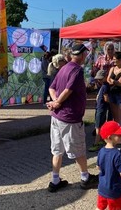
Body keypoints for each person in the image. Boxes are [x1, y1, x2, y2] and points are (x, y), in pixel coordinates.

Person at [47, 43, 98, 192]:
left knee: (57, 150)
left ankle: (55, 180)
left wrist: (55, 102)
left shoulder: (64, 68)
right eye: (85, 55)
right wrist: (57, 102)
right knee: (78, 150)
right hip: (69, 117)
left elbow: (52, 87)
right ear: (82, 55)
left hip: (57, 117)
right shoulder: (77, 70)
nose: (85, 58)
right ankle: (85, 177)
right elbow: (68, 90)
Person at [96, 121, 121, 210]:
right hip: (114, 189)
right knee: (117, 207)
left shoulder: (101, 151)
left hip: (102, 188)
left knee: (100, 207)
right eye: (119, 134)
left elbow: (98, 167)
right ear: (110, 137)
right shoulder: (117, 154)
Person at [89, 70, 111, 152]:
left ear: (105, 77)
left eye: (100, 79)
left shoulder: (105, 86)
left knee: (98, 126)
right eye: (98, 79)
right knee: (99, 125)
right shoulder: (103, 85)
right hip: (100, 107)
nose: (99, 80)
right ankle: (101, 140)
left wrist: (110, 103)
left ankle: (96, 143)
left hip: (101, 108)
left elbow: (106, 98)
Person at [107, 52, 121, 123]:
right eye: (113, 59)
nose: (113, 61)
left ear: (120, 60)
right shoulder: (112, 68)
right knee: (114, 115)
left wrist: (112, 81)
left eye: (115, 59)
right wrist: (115, 81)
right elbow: (108, 79)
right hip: (112, 93)